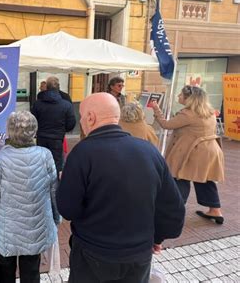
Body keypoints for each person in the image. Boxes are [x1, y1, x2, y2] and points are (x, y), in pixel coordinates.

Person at [57, 93, 185, 283]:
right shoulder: (149, 151)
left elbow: (68, 209)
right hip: (138, 254)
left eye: (82, 116)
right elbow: (174, 211)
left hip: (93, 253)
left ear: (90, 117)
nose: (81, 121)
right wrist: (157, 237)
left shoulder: (82, 153)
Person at [0, 111, 60, 283]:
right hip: (36, 230)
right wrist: (56, 218)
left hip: (6, 232)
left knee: (4, 273)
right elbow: (54, 191)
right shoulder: (45, 155)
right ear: (34, 131)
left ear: (9, 131)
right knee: (31, 272)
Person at [152, 85, 225, 224]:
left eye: (181, 95)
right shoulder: (208, 112)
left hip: (193, 152)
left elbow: (166, 125)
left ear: (189, 99)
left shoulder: (188, 114)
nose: (178, 96)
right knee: (205, 180)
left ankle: (175, 212)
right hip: (210, 150)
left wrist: (156, 109)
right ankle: (215, 210)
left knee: (180, 178)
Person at [31, 76, 76, 177]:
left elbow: (32, 121)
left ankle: (42, 185)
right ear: (58, 87)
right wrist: (62, 130)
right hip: (57, 138)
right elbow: (71, 123)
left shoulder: (37, 104)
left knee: (41, 163)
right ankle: (55, 188)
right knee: (57, 164)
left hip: (42, 137)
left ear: (46, 87)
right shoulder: (66, 104)